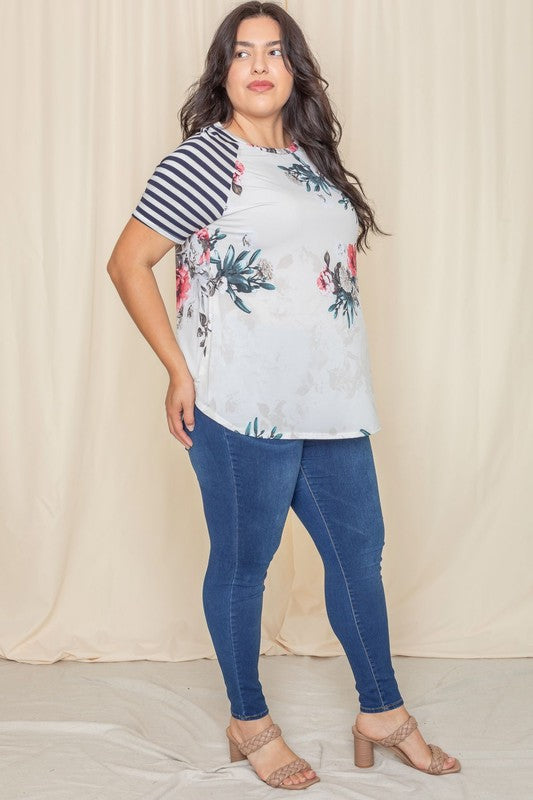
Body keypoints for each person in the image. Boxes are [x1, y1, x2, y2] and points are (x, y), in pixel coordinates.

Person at [107, 1, 461, 790]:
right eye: (242, 52)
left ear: (293, 69)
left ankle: (380, 710)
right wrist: (177, 369)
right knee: (243, 565)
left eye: (274, 51)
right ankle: (248, 718)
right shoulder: (205, 159)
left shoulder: (310, 161)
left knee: (357, 557)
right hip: (239, 404)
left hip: (331, 402)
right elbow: (128, 264)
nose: (259, 64)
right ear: (222, 72)